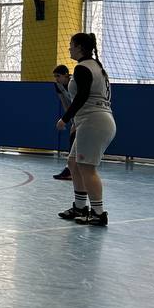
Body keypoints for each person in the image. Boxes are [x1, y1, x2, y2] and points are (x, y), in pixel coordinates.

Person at [57, 32, 116, 226]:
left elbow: (82, 97)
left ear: (80, 47)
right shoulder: (96, 66)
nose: (69, 48)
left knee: (87, 168)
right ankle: (80, 207)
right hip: (93, 120)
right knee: (73, 163)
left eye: (71, 45)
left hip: (93, 122)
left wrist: (65, 119)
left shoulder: (83, 68)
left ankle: (98, 213)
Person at [52, 64, 74, 180]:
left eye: (58, 76)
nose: (56, 78)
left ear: (66, 75)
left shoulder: (74, 83)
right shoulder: (58, 85)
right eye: (55, 76)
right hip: (75, 115)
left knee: (75, 140)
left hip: (85, 114)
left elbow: (79, 102)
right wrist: (67, 118)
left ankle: (70, 170)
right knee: (73, 140)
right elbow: (64, 102)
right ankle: (70, 169)